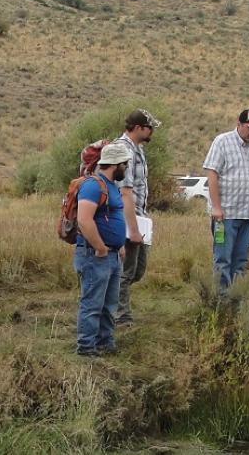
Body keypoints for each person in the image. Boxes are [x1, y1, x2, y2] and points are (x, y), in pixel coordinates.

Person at [202, 109, 249, 297]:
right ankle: (221, 298)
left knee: (241, 260)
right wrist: (216, 207)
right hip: (225, 215)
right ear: (239, 124)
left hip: (247, 215)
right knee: (223, 258)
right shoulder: (222, 142)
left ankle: (235, 296)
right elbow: (212, 174)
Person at [73, 143, 130, 357]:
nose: (126, 168)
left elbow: (113, 217)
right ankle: (86, 348)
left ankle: (105, 342)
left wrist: (119, 245)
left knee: (109, 304)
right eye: (125, 164)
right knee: (93, 303)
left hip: (112, 255)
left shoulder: (112, 186)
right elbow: (84, 220)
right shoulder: (93, 186)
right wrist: (100, 247)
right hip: (95, 255)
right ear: (115, 164)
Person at [111, 110, 161, 326]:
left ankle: (111, 303)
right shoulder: (123, 150)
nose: (152, 132)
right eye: (150, 128)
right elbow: (125, 193)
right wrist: (132, 229)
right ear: (139, 127)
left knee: (137, 270)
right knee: (126, 270)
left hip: (139, 217)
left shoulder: (137, 149)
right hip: (124, 219)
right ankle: (121, 317)